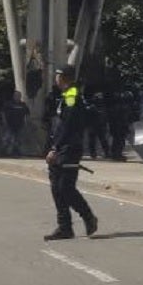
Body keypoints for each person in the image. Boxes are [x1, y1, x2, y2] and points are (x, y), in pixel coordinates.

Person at [43, 67, 98, 241]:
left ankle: (88, 217)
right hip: (61, 146)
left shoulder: (72, 95)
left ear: (63, 78)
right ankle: (64, 227)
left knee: (65, 188)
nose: (55, 79)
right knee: (56, 188)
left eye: (57, 76)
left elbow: (68, 124)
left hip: (69, 149)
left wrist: (55, 148)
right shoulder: (66, 95)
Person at [0, 91, 30, 157]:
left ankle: (15, 152)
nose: (17, 97)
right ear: (13, 96)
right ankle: (3, 152)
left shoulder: (23, 104)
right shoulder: (9, 104)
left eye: (19, 96)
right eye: (16, 95)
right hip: (9, 124)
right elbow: (2, 112)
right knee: (7, 139)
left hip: (19, 125)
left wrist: (26, 122)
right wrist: (4, 121)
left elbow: (27, 114)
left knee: (18, 140)